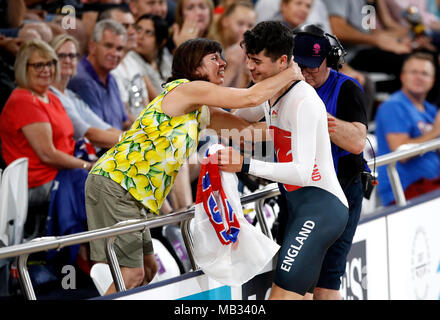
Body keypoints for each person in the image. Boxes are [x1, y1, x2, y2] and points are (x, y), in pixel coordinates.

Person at [85, 37, 303, 294]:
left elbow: (248, 132)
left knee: (149, 269)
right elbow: (250, 97)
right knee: (132, 275)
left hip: (131, 193)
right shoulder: (185, 89)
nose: (223, 63)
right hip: (116, 184)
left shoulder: (197, 108)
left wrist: (303, 123)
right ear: (194, 67)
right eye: (214, 58)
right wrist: (290, 72)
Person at [217, 21, 348, 300]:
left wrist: (244, 165)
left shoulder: (303, 101)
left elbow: (302, 173)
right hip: (304, 208)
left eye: (257, 61)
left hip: (321, 208)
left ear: (283, 62)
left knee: (281, 296)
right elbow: (237, 117)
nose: (251, 68)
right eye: (248, 60)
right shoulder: (271, 92)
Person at [292, 24, 368, 300]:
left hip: (343, 189)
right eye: (298, 65)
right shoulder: (286, 88)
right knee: (298, 280)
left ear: (330, 60)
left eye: (313, 65)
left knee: (327, 279)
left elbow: (358, 142)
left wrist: (316, 117)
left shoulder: (347, 88)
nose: (305, 72)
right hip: (302, 193)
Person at [0, 39, 94, 207]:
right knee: (92, 183)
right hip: (36, 182)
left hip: (63, 172)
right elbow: (48, 155)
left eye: (50, 64)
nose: (47, 70)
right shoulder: (23, 101)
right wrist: (87, 165)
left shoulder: (50, 96)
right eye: (38, 65)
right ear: (24, 68)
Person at [375, 52, 440, 206]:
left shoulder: (430, 110)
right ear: (403, 76)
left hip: (430, 185)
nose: (419, 77)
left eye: (424, 73)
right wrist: (436, 131)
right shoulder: (393, 106)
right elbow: (401, 152)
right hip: (405, 190)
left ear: (432, 81)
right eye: (413, 72)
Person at [49, 34, 122, 150]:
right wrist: (135, 142)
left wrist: (137, 138)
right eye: (61, 56)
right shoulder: (50, 95)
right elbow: (89, 134)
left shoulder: (70, 94)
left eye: (72, 56)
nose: (68, 60)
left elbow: (104, 127)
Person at [68, 19, 132, 131]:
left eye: (119, 49)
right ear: (92, 47)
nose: (115, 53)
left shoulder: (111, 79)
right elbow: (99, 132)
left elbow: (125, 123)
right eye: (108, 46)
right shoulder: (81, 80)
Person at [213, 0, 256, 88]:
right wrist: (232, 67)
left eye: (250, 25)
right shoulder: (210, 47)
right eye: (240, 24)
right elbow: (208, 97)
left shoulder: (252, 52)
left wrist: (243, 72)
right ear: (225, 21)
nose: (245, 30)